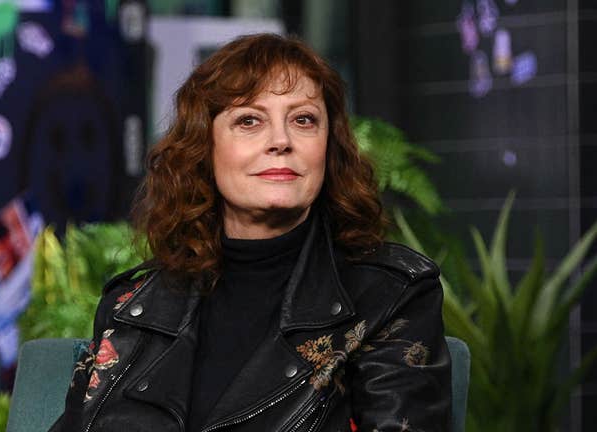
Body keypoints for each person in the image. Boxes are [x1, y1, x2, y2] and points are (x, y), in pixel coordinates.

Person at [49, 33, 451, 432]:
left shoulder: (389, 296)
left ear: (329, 147)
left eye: (303, 120)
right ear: (204, 147)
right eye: (249, 121)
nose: (281, 141)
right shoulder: (132, 307)